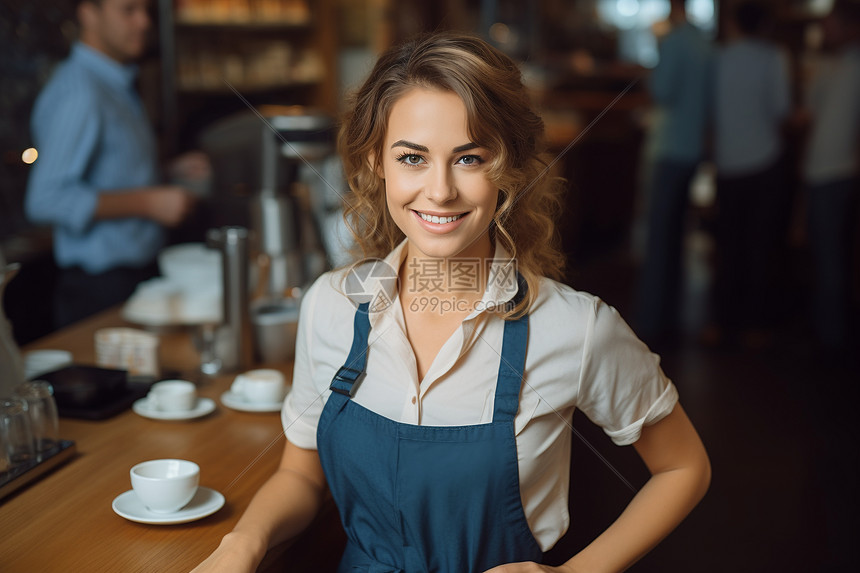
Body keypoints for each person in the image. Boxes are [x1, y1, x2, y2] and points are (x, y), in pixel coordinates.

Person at [192, 32, 710, 573]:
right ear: (376, 162)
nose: (439, 191)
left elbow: (683, 467)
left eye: (468, 158)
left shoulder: (576, 328)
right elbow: (301, 474)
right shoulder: (331, 306)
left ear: (507, 170)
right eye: (412, 157)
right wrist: (243, 544)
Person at [25, 0, 205, 328]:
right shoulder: (80, 92)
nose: (144, 22)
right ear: (88, 14)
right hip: (100, 290)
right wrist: (149, 202)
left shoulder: (114, 82)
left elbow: (107, 172)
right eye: (128, 10)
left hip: (133, 278)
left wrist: (166, 172)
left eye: (146, 11)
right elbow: (46, 199)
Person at [707, 0, 791, 347]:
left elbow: (710, 113)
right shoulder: (775, 57)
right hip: (765, 160)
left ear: (735, 24)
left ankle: (720, 325)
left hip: (728, 163)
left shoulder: (719, 60)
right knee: (760, 246)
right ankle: (756, 327)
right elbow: (782, 110)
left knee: (727, 245)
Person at [635, 0, 713, 346]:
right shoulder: (704, 42)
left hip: (669, 149)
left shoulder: (676, 41)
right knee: (677, 237)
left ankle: (652, 322)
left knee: (659, 238)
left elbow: (661, 91)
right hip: (693, 148)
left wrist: (658, 48)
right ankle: (674, 315)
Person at [801, 1, 860, 356]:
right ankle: (828, 331)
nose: (825, 30)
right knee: (829, 255)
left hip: (834, 171)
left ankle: (830, 336)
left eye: (830, 23)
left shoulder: (843, 65)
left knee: (830, 257)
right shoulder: (830, 64)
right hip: (828, 169)